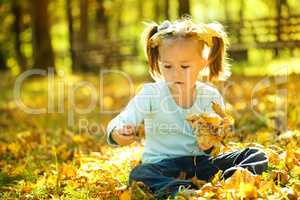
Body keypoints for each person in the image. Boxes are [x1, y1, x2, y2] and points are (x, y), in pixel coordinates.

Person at [106, 18, 269, 199]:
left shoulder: (211, 97)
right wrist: (119, 133)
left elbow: (217, 141)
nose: (175, 74)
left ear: (203, 63)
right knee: (139, 175)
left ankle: (230, 180)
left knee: (256, 154)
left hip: (201, 163)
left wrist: (212, 139)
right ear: (159, 62)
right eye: (167, 66)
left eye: (184, 66)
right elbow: (122, 120)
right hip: (162, 165)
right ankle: (183, 190)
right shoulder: (150, 94)